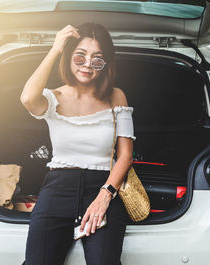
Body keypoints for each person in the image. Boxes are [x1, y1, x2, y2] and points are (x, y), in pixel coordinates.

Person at [20, 22, 136, 265]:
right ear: (68, 56)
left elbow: (125, 156)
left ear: (105, 64)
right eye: (80, 56)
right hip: (58, 187)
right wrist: (54, 49)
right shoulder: (54, 98)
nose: (87, 65)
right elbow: (28, 98)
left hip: (104, 186)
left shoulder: (116, 96)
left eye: (97, 59)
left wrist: (105, 196)